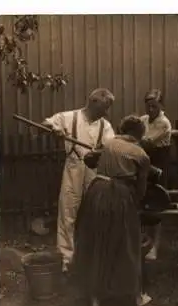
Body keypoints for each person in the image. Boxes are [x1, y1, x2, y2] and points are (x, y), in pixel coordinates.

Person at [74, 115, 152, 306]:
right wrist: (135, 203)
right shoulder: (141, 154)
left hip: (97, 191)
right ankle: (135, 296)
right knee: (127, 242)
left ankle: (94, 297)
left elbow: (88, 160)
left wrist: (99, 154)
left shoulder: (107, 143)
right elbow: (142, 190)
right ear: (139, 133)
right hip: (120, 195)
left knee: (96, 240)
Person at [42, 88, 115, 273]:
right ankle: (67, 259)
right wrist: (55, 130)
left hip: (94, 169)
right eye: (104, 108)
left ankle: (90, 258)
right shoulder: (69, 117)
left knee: (94, 211)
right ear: (93, 102)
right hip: (73, 167)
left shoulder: (105, 125)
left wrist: (101, 151)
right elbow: (46, 123)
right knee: (68, 211)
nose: (106, 113)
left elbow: (111, 146)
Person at [140, 89, 172, 261]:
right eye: (148, 106)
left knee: (156, 206)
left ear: (161, 105)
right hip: (144, 165)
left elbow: (146, 143)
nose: (151, 109)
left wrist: (134, 140)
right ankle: (145, 242)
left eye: (154, 106)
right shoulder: (143, 120)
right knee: (143, 203)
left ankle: (155, 247)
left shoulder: (163, 123)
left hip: (158, 165)